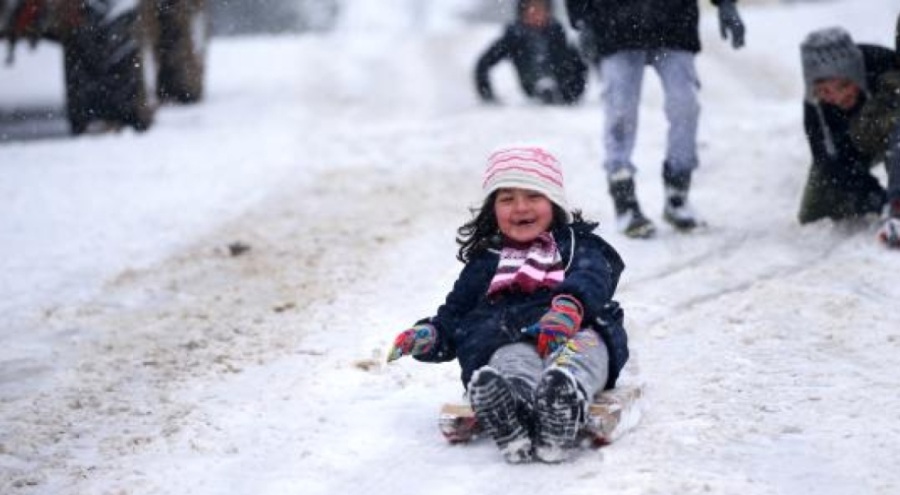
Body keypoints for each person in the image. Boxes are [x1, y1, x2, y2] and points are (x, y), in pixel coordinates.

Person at [386, 146, 629, 463]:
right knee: (510, 361)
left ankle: (563, 403)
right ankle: (511, 411)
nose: (520, 207)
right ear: (493, 209)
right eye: (507, 199)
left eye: (533, 196)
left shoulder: (576, 246)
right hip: (510, 338)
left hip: (573, 331)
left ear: (554, 202)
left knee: (581, 354)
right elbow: (455, 316)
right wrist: (429, 335)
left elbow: (594, 276)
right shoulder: (486, 262)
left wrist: (569, 307)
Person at [564, 0, 746, 238]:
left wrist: (726, 4)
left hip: (674, 24)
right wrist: (581, 18)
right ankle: (624, 197)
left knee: (685, 106)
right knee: (620, 112)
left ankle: (677, 193)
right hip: (614, 26)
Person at [797, 24, 900, 248]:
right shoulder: (815, 108)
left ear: (856, 74)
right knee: (815, 209)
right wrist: (874, 198)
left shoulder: (884, 65)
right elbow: (828, 160)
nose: (836, 97)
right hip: (854, 147)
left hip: (892, 133)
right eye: (824, 92)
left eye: (844, 85)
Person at [474, 0, 587, 105]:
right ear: (522, 12)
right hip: (532, 85)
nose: (536, 13)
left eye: (540, 9)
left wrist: (573, 93)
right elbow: (484, 63)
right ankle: (543, 85)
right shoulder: (514, 37)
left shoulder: (557, 33)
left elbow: (579, 65)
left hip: (562, 90)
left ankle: (551, 87)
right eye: (531, 9)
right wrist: (487, 95)